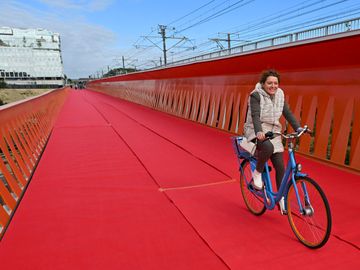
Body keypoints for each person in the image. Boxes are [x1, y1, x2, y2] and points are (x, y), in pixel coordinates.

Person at [243, 69, 301, 214]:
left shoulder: (280, 94)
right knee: (267, 147)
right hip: (255, 129)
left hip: (273, 131)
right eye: (269, 83)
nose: (273, 86)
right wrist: (258, 132)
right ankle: (257, 172)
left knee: (280, 165)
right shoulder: (256, 95)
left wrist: (298, 127)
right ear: (263, 84)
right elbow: (255, 116)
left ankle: (280, 197)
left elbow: (286, 112)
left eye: (275, 83)